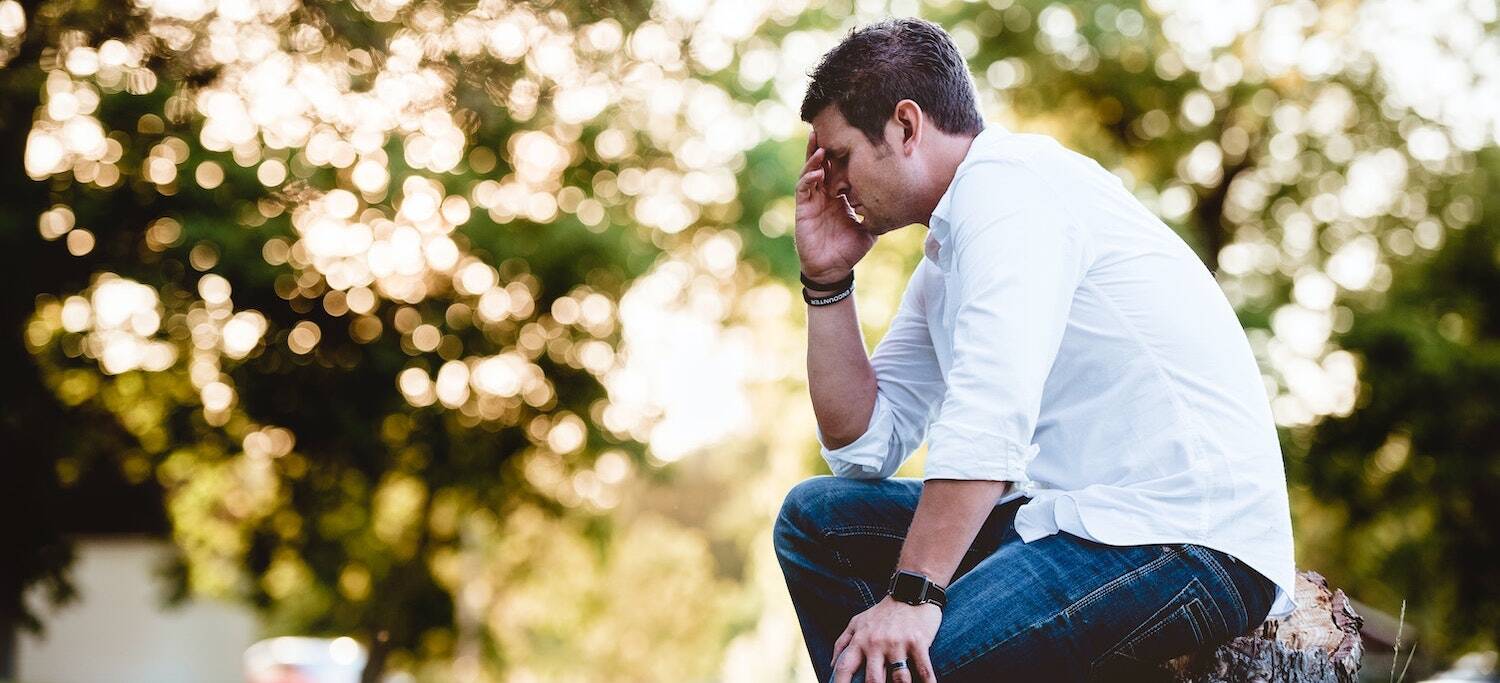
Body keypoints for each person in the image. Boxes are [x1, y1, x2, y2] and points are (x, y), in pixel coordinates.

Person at [774, 17, 1298, 683]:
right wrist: (826, 283)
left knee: (914, 662)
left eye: (840, 155)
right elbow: (863, 446)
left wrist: (914, 596)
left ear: (906, 127)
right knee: (818, 520)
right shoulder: (950, 253)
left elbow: (992, 410)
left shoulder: (1012, 191)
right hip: (1076, 521)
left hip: (1185, 537)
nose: (834, 183)